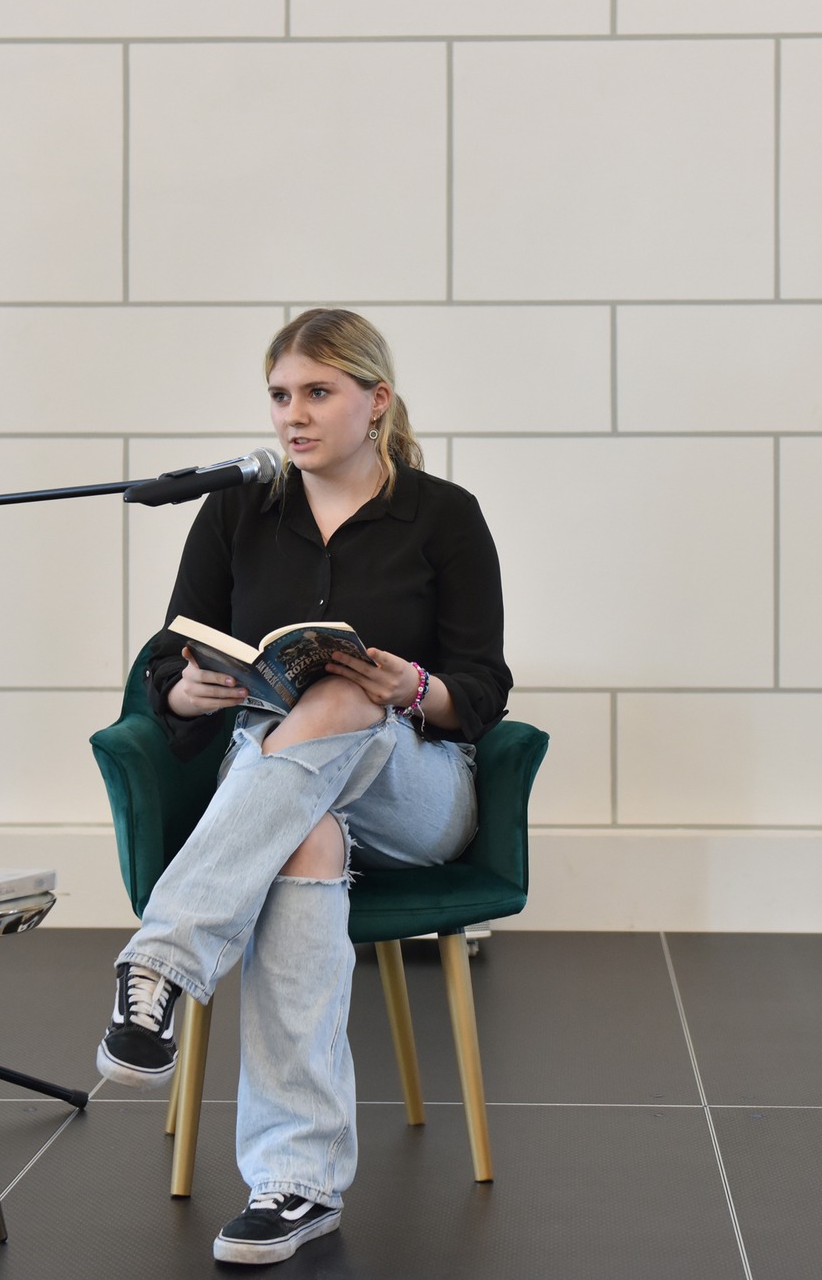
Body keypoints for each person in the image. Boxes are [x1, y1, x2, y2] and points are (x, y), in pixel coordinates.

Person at [97, 308, 511, 1265]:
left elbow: (482, 690)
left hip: (418, 784)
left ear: (377, 400)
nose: (294, 414)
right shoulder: (236, 509)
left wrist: (408, 686)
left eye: (318, 392)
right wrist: (188, 689)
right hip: (278, 785)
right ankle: (297, 1183)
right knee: (305, 840)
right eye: (281, 394)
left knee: (344, 692)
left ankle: (161, 962)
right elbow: (172, 660)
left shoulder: (445, 516)